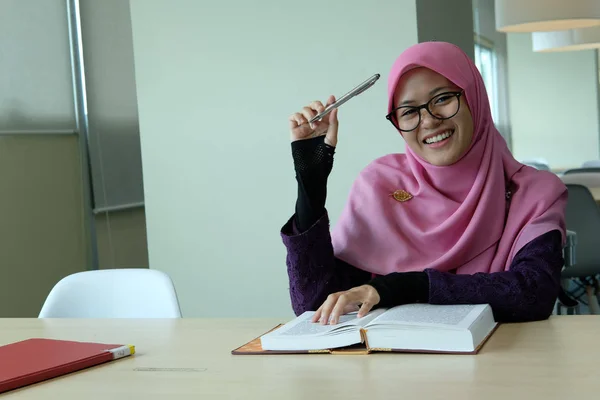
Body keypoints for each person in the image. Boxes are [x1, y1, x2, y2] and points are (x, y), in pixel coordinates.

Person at [281, 41, 568, 326]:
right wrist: (311, 183)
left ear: (474, 98)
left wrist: (402, 287)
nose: (428, 121)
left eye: (442, 98)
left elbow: (534, 293)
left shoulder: (534, 193)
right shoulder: (381, 186)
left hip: (504, 362)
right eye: (408, 111)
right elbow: (314, 303)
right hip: (394, 364)